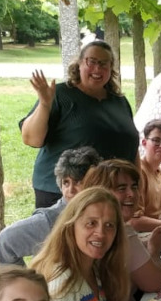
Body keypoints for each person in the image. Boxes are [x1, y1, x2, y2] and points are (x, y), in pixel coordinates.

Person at [19, 40, 137, 208]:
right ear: (80, 64)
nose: (97, 69)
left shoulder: (119, 101)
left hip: (108, 193)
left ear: (111, 69)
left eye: (104, 64)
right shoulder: (60, 94)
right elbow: (31, 139)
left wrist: (137, 185)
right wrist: (45, 104)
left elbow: (132, 147)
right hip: (65, 193)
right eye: (91, 61)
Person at [0, 146, 100, 266]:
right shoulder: (49, 221)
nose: (70, 190)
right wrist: (24, 283)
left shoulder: (105, 213)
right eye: (66, 182)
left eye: (78, 182)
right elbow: (7, 240)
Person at [80, 159, 161, 295]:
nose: (131, 194)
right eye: (121, 188)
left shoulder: (84, 222)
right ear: (101, 192)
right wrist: (154, 251)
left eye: (134, 187)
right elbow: (153, 283)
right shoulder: (121, 231)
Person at [131, 119, 161, 235]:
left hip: (158, 229)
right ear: (144, 143)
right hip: (141, 236)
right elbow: (135, 221)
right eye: (156, 140)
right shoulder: (138, 172)